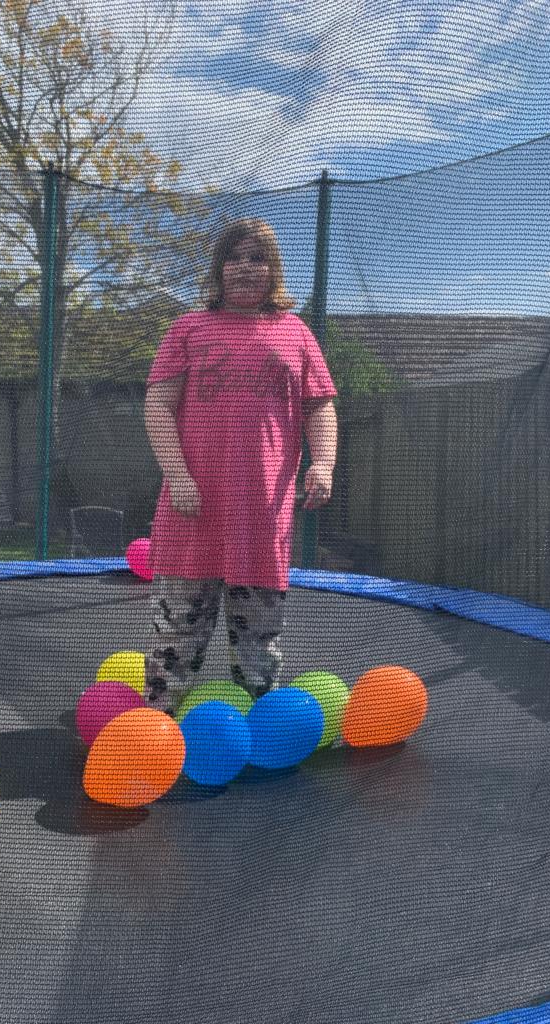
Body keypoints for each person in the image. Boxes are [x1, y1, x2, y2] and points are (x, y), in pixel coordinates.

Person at [143, 218, 338, 714]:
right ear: (218, 269)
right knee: (177, 635)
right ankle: (157, 728)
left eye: (258, 258)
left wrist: (325, 463)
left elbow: (320, 407)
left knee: (259, 646)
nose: (245, 267)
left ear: (273, 271)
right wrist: (179, 475)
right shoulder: (189, 328)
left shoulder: (295, 332)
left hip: (261, 514)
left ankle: (257, 733)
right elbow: (158, 406)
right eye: (235, 257)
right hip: (195, 511)